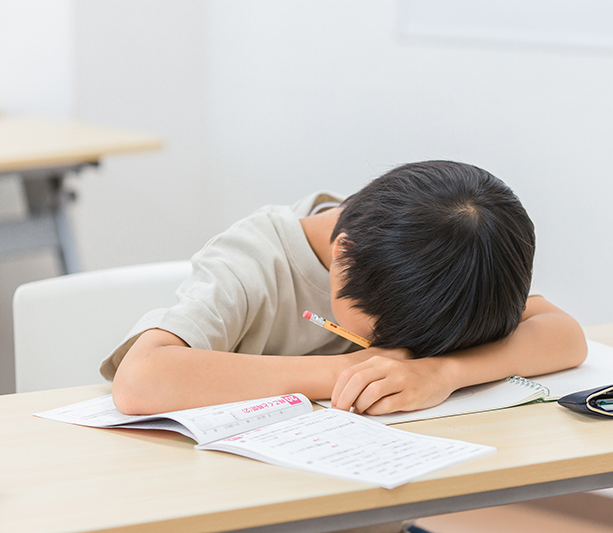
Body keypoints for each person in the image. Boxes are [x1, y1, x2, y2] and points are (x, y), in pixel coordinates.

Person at [105, 160, 587, 417]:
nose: (399, 350)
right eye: (384, 337)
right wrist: (352, 370)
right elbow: (141, 380)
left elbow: (565, 335)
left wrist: (441, 372)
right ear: (343, 255)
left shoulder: (445, 255)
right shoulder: (253, 260)